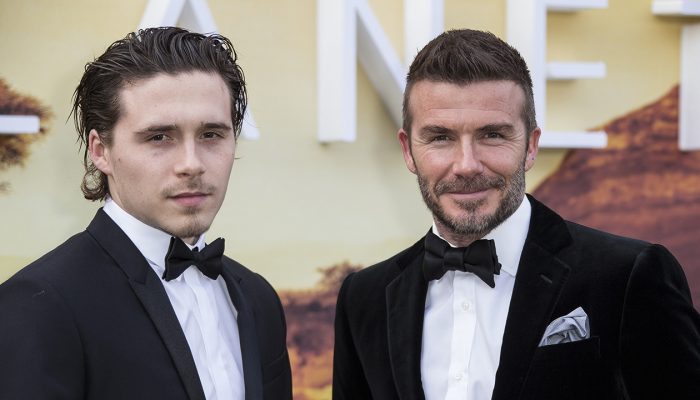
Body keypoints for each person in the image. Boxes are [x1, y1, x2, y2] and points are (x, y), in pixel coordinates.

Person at [332, 29, 700, 400]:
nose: (467, 165)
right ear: (409, 150)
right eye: (440, 137)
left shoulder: (628, 275)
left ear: (530, 146)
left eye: (492, 135)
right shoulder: (364, 299)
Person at [0, 27, 291, 400]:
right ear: (100, 150)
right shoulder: (38, 306)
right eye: (159, 137)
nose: (192, 164)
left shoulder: (258, 299)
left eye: (211, 135)